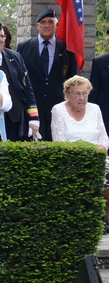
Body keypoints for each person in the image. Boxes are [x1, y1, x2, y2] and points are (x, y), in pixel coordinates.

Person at [51, 75, 109, 227]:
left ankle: (105, 216)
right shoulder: (58, 110)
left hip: (97, 157)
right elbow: (59, 142)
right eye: (77, 93)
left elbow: (104, 137)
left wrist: (101, 148)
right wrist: (84, 154)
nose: (82, 97)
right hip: (71, 159)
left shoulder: (95, 109)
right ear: (68, 94)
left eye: (85, 93)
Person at [16, 8, 78, 140]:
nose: (46, 25)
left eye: (50, 22)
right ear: (37, 25)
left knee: (56, 144)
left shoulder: (67, 49)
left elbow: (73, 80)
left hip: (58, 106)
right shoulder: (24, 48)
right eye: (43, 22)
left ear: (56, 25)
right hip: (32, 107)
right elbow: (18, 78)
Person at [0, 21, 40, 141]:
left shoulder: (15, 57)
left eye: (2, 36)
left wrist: (34, 118)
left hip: (15, 121)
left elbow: (28, 89)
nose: (0, 39)